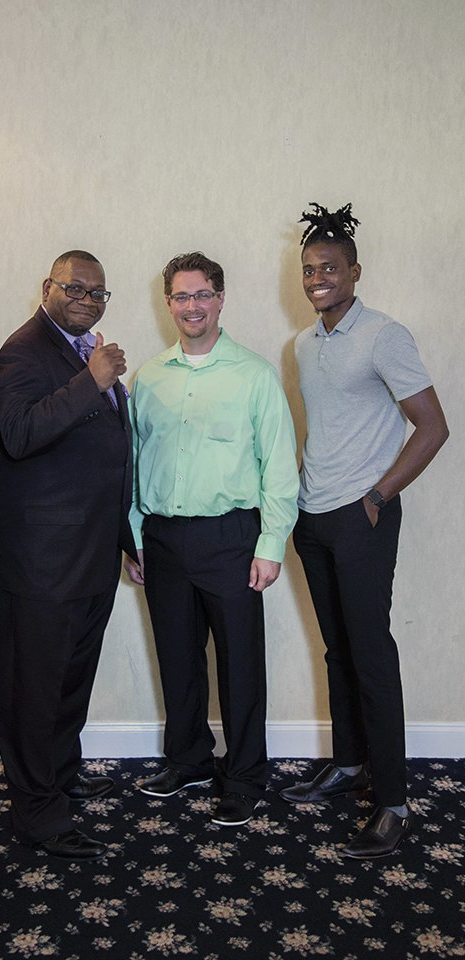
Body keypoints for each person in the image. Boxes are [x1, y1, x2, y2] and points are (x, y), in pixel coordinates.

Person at [280, 203, 449, 858]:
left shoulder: (385, 335)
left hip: (362, 515)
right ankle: (349, 765)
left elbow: (432, 427)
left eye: (330, 267)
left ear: (354, 271)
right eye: (309, 269)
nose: (318, 277)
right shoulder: (301, 344)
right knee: (337, 648)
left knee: (371, 652)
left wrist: (379, 494)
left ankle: (393, 801)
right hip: (312, 516)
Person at [125, 252, 299, 827]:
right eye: (180, 296)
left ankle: (245, 775)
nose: (191, 306)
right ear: (167, 302)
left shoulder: (253, 375)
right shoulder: (148, 379)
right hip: (163, 539)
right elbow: (130, 464)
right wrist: (134, 537)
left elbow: (278, 466)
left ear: (220, 299)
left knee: (240, 663)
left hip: (232, 538)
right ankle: (190, 760)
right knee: (177, 658)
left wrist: (271, 543)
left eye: (202, 295)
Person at [0, 250, 136, 860]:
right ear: (46, 286)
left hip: (92, 551)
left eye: (98, 293)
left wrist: (126, 538)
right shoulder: (22, 351)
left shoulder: (83, 353)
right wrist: (92, 380)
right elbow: (20, 434)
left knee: (71, 677)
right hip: (43, 560)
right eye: (75, 288)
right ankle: (38, 815)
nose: (86, 299)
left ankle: (60, 775)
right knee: (34, 686)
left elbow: (107, 455)